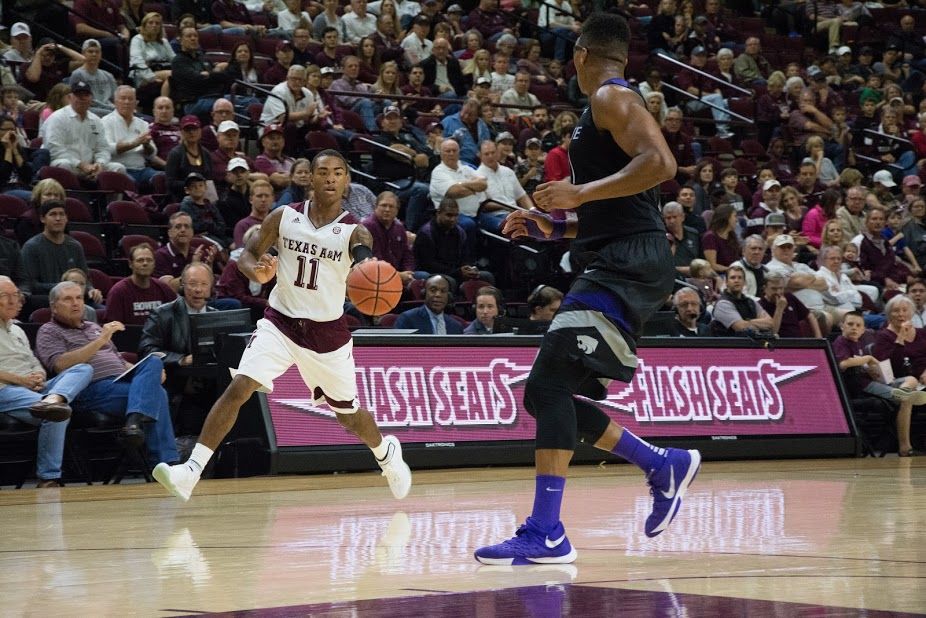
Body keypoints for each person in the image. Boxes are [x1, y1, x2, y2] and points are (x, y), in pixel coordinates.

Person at [476, 14, 701, 566]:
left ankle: (547, 531)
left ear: (579, 54)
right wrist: (551, 225)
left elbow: (663, 164)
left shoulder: (610, 97)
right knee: (546, 393)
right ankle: (659, 464)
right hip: (619, 253)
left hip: (628, 262)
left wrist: (577, 193)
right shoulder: (600, 108)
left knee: (547, 385)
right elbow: (615, 207)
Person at [152, 150, 412, 501]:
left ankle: (386, 455)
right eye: (323, 172)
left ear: (347, 181)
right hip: (281, 323)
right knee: (240, 386)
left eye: (338, 173)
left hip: (327, 335)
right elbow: (245, 256)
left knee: (348, 416)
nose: (331, 178)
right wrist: (256, 270)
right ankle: (190, 472)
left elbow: (364, 253)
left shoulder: (354, 230)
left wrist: (368, 267)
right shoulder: (283, 217)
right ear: (309, 178)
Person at [35, 281, 179, 465]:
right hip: (89, 389)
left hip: (119, 383)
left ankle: (134, 423)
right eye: (68, 299)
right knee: (158, 394)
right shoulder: (48, 331)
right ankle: (165, 462)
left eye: (79, 297)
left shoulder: (93, 327)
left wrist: (148, 375)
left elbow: (119, 361)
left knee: (153, 361)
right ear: (53, 307)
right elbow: (60, 365)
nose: (76, 303)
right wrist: (101, 339)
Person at [0, 276, 95, 488]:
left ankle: (54, 398)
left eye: (15, 295)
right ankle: (49, 477)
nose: (13, 301)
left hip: (34, 389)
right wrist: (22, 380)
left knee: (83, 368)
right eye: (5, 296)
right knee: (58, 414)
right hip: (5, 390)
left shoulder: (17, 329)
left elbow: (33, 361)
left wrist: (39, 375)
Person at [871, 295, 926, 456]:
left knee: (911, 390)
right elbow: (890, 367)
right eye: (896, 311)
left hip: (922, 379)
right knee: (907, 394)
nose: (901, 314)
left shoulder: (922, 333)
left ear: (912, 312)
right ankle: (905, 447)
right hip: (898, 380)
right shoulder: (883, 336)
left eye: (904, 310)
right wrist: (900, 337)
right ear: (889, 314)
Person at [42, 80, 126, 179]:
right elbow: (54, 149)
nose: (82, 98)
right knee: (64, 164)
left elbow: (103, 148)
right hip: (69, 164)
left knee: (118, 168)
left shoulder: (96, 120)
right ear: (70, 97)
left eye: (86, 95)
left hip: (91, 166)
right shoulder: (58, 118)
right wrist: (81, 164)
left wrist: (100, 164)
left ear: (91, 98)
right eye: (78, 95)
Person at [361, 191, 424, 287]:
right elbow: (373, 260)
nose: (387, 209)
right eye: (383, 205)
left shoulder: (399, 227)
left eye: (391, 206)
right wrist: (397, 275)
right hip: (375, 276)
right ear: (375, 207)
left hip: (400, 273)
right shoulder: (367, 227)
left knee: (426, 278)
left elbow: (407, 254)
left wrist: (408, 272)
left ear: (397, 210)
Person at [106, 243, 178, 325]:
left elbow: (177, 319)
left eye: (149, 260)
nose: (145, 263)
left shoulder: (164, 289)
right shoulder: (118, 292)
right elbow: (112, 328)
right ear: (130, 264)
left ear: (154, 264)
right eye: (140, 260)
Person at [710, 264, 775, 336]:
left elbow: (770, 323)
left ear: (744, 282)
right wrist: (759, 324)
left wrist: (748, 322)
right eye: (733, 278)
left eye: (740, 278)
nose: (736, 280)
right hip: (729, 345)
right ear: (726, 282)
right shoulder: (723, 304)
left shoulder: (751, 302)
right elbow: (741, 328)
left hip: (753, 344)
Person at [758, 272, 821, 338]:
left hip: (799, 341)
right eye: (774, 289)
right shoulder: (760, 306)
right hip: (780, 343)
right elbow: (773, 331)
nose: (778, 292)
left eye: (781, 288)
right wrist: (780, 308)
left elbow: (809, 315)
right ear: (765, 288)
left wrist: (818, 337)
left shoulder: (789, 297)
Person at [394, 274, 464, 334]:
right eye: (433, 290)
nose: (438, 295)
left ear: (448, 296)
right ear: (424, 293)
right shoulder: (408, 319)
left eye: (443, 291)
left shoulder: (456, 326)